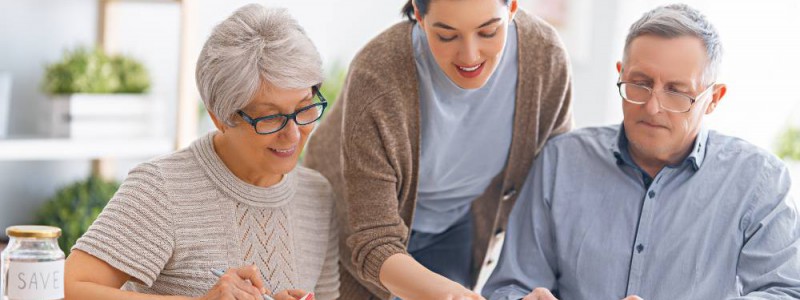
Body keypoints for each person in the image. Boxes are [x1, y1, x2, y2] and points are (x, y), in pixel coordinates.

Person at [483, 3, 800, 300]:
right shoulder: (561, 161)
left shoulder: (761, 182)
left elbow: (785, 293)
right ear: (620, 74)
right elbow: (510, 285)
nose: (652, 106)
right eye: (640, 82)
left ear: (714, 98)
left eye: (676, 91)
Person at [64, 4, 339, 300]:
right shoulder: (162, 188)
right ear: (219, 117)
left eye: (304, 108)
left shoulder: (317, 195)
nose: (294, 133)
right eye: (270, 117)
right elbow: (69, 289)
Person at [303, 0, 573, 299]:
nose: (470, 55)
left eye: (488, 32)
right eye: (447, 36)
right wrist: (454, 295)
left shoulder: (545, 58)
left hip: (452, 224)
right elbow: (373, 241)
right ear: (419, 16)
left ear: (511, 9)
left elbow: (553, 194)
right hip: (348, 227)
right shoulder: (377, 74)